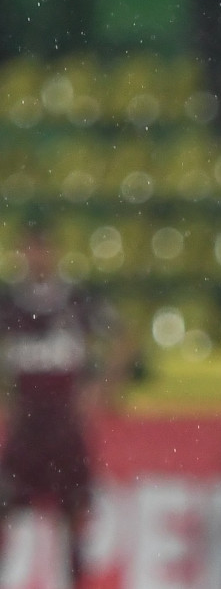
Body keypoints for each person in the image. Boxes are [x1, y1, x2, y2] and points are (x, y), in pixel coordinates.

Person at [0, 223, 136, 586]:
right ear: (20, 253)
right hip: (26, 425)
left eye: (42, 249)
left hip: (65, 425)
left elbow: (123, 336)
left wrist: (104, 386)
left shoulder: (77, 299)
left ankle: (75, 580)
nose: (36, 257)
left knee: (73, 512)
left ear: (54, 252)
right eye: (30, 250)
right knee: (6, 505)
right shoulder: (9, 302)